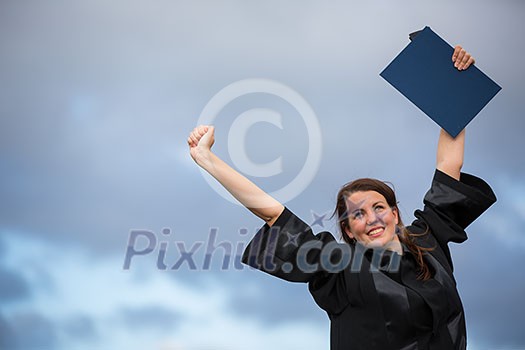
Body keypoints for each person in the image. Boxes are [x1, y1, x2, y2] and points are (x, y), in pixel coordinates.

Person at [187, 45, 496, 350]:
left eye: (378, 207)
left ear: (395, 213)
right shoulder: (339, 268)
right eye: (358, 214)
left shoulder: (428, 242)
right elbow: (273, 214)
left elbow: (448, 165)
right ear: (348, 230)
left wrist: (454, 80)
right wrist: (208, 160)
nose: (372, 218)